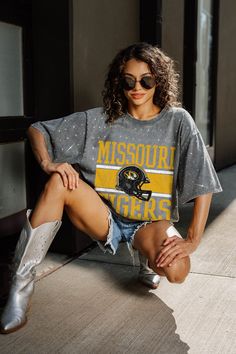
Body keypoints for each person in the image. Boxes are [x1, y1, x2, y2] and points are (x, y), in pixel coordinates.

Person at [0, 42, 222, 334]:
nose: (137, 88)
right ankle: (20, 288)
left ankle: (147, 258)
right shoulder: (101, 119)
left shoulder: (177, 121)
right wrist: (48, 163)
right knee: (58, 181)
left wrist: (192, 239)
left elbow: (202, 178)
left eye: (147, 80)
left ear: (160, 79)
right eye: (129, 81)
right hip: (105, 216)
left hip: (149, 221)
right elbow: (37, 130)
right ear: (120, 81)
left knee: (178, 271)